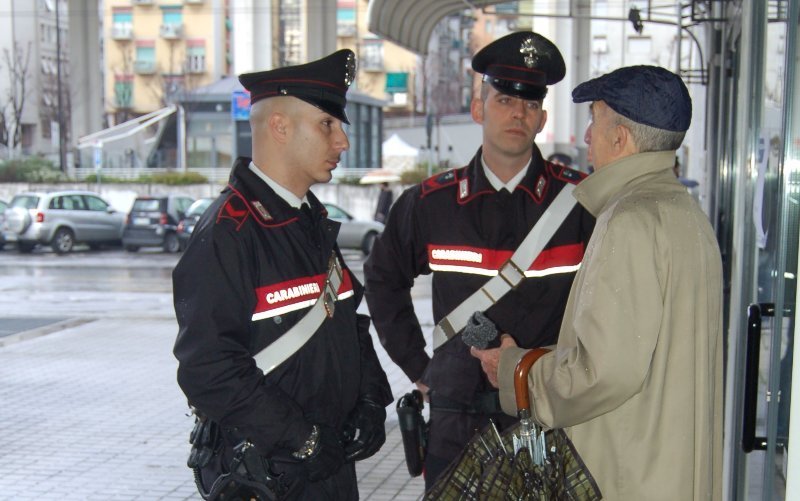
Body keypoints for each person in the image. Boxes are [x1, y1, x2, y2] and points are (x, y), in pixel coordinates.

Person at [472, 65, 723, 499]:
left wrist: (516, 370)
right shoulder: (685, 213)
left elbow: (603, 371)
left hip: (627, 475)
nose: (587, 137)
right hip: (666, 470)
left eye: (594, 121)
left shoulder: (630, 219)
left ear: (620, 138)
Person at [363, 31, 595, 490]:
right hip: (456, 422)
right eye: (505, 99)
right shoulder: (431, 203)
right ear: (478, 109)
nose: (518, 113)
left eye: (530, 105)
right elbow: (382, 278)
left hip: (547, 417)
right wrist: (420, 368)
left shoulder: (581, 204)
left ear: (542, 118)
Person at [172, 49, 392, 500]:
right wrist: (303, 439)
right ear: (280, 127)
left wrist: (371, 399)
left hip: (326, 463)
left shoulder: (306, 219)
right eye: (327, 125)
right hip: (268, 473)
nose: (342, 142)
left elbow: (345, 322)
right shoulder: (229, 231)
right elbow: (207, 368)